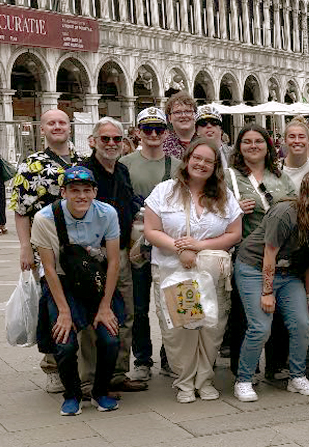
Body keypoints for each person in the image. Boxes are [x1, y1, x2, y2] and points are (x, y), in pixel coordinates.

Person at [143, 139, 243, 403]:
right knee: (181, 328)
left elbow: (235, 233)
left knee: (211, 327)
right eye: (197, 158)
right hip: (173, 271)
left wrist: (200, 246)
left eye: (208, 161)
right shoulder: (165, 191)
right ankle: (185, 381)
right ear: (187, 160)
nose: (201, 164)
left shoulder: (224, 195)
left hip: (211, 274)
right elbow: (151, 230)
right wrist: (180, 249)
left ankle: (205, 379)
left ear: (215, 166)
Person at [30, 166, 123, 416]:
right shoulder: (45, 219)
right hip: (61, 281)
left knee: (110, 337)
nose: (81, 196)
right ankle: (71, 393)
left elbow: (114, 262)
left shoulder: (107, 214)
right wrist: (63, 310)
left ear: (94, 191)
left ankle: (100, 391)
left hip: (94, 279)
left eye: (86, 190)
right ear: (63, 192)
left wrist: (105, 307)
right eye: (74, 190)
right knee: (65, 341)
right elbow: (48, 268)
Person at [232, 170, 309, 402]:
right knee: (260, 326)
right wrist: (267, 291)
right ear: (306, 189)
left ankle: (297, 376)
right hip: (255, 267)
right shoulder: (286, 212)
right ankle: (243, 379)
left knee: (302, 322)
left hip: (289, 273)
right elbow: (269, 253)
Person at [9, 108, 83, 394]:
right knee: (51, 306)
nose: (57, 127)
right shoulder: (31, 164)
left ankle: (79, 364)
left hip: (82, 247)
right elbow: (20, 210)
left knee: (80, 301)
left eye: (62, 122)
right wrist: (25, 247)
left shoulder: (82, 159)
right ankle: (52, 365)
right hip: (46, 248)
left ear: (69, 126)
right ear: (42, 129)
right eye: (51, 123)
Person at [226, 124, 297, 383]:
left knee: (276, 311)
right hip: (246, 252)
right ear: (239, 147)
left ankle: (276, 364)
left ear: (268, 146)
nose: (253, 146)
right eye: (247, 141)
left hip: (279, 252)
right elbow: (215, 210)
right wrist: (234, 208)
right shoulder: (229, 176)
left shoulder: (280, 177)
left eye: (258, 141)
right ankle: (244, 366)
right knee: (245, 314)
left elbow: (294, 205)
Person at [80, 118, 147, 394]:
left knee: (126, 313)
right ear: (93, 140)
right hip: (92, 253)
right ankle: (89, 379)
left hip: (119, 251)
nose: (111, 144)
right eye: (105, 138)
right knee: (91, 315)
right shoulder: (83, 172)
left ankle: (117, 373)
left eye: (116, 139)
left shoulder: (121, 170)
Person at [120, 107, 175, 382]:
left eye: (159, 129)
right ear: (138, 132)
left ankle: (170, 355)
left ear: (166, 133)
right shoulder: (126, 163)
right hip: (136, 242)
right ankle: (142, 358)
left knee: (169, 301)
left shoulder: (177, 165)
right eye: (147, 129)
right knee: (139, 305)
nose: (153, 134)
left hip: (168, 240)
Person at [280, 119, 309, 188]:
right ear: (285, 141)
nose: (297, 141)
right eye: (292, 137)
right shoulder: (275, 170)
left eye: (301, 137)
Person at [161, 92, 198, 159]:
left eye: (188, 111)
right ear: (169, 118)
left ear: (195, 115)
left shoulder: (206, 142)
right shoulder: (162, 147)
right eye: (178, 112)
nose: (183, 115)